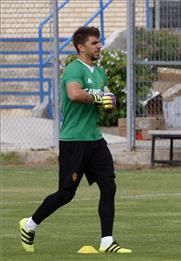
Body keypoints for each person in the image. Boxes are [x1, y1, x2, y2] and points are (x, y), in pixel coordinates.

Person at [19, 26, 131, 253]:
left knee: (109, 186)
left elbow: (105, 99)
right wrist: (100, 97)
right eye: (94, 43)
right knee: (65, 194)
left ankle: (107, 241)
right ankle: (29, 224)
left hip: (95, 140)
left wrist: (110, 100)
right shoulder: (73, 69)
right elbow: (74, 93)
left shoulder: (99, 72)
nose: (99, 46)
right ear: (81, 47)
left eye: (99, 42)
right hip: (73, 140)